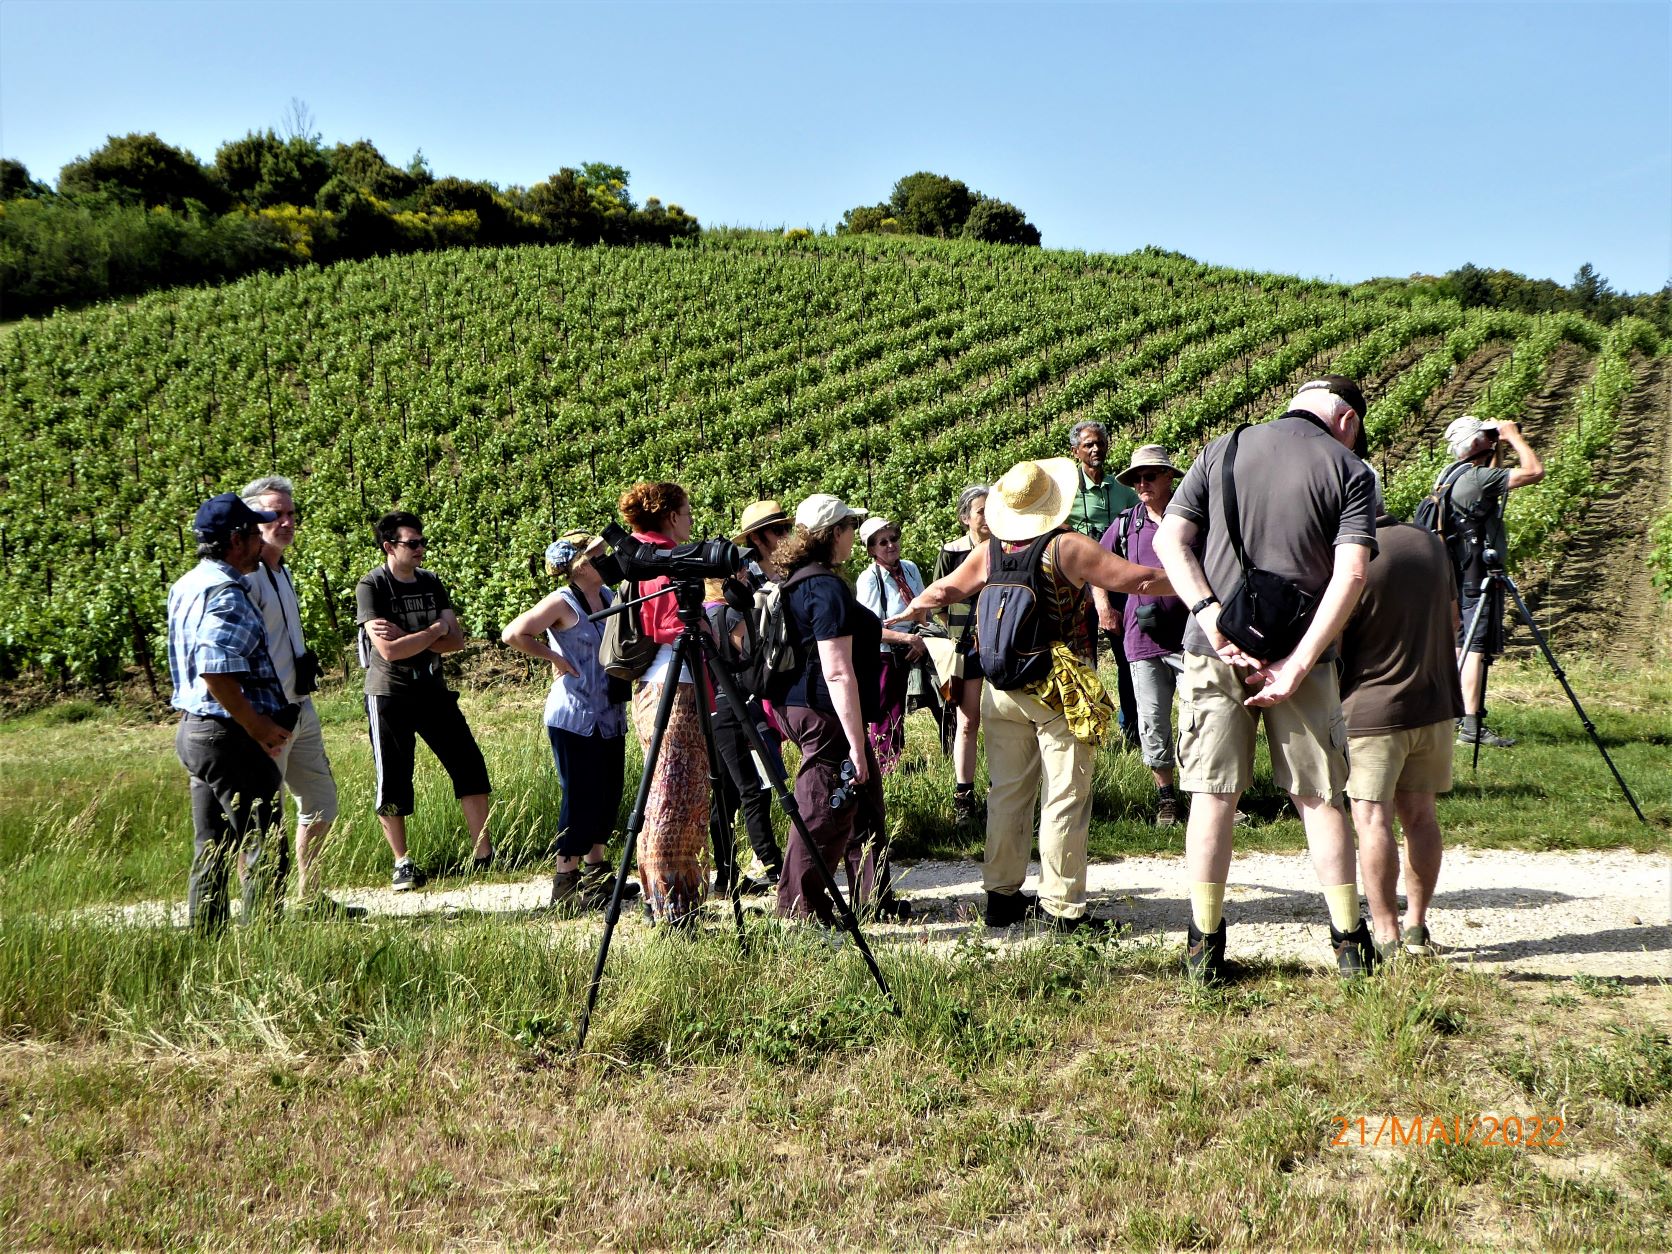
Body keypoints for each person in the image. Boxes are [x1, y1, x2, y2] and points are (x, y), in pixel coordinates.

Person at [1152, 374, 1379, 981]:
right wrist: (1299, 663)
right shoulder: (1350, 470)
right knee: (1319, 798)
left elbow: (1171, 538)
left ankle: (1203, 942)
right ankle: (1349, 943)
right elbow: (1351, 575)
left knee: (1211, 795)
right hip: (1303, 657)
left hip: (1213, 649)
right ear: (1347, 421)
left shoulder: (1220, 448)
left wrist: (1209, 615)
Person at [894, 459, 1170, 933]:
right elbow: (1137, 580)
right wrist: (1196, 581)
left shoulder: (992, 550)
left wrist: (909, 612)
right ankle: (1063, 908)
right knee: (1065, 795)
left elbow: (944, 588)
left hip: (1002, 686)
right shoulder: (1068, 547)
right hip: (1058, 685)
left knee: (1007, 792)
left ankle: (1001, 897)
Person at [1341, 507, 1465, 962]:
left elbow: (1333, 636)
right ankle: (1416, 925)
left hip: (1373, 710)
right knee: (1422, 818)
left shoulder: (1356, 552)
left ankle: (1387, 934)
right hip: (1433, 704)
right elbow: (1454, 623)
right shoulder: (1432, 542)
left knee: (1372, 819)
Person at [166, 493, 293, 934]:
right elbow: (216, 670)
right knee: (265, 842)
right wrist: (257, 724)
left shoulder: (186, 585)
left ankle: (208, 938)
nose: (262, 541)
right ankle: (261, 942)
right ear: (236, 541)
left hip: (195, 732)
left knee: (213, 845)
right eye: (255, 533)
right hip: (230, 736)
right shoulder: (227, 594)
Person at [500, 531, 640, 912]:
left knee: (608, 793)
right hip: (573, 716)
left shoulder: (609, 597)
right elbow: (513, 633)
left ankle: (597, 877)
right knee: (580, 795)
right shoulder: (562, 602)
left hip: (608, 712)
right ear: (580, 565)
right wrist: (554, 659)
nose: (606, 559)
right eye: (598, 555)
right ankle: (565, 882)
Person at [238, 475, 356, 919]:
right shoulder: (246, 577)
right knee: (262, 813)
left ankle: (310, 894)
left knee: (322, 799)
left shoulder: (281, 569)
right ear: (252, 519)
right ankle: (260, 906)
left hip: (300, 706)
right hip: (267, 715)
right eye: (274, 514)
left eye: (290, 514)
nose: (285, 522)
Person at [356, 511, 492, 891]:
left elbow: (456, 641)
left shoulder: (431, 582)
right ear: (389, 547)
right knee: (394, 778)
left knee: (469, 763)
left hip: (432, 689)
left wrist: (414, 635)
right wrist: (433, 629)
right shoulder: (372, 586)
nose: (420, 549)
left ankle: (484, 854)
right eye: (412, 543)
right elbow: (389, 651)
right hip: (389, 693)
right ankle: (402, 863)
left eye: (422, 542)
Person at [773, 493, 891, 925]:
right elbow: (838, 671)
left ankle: (872, 898)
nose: (854, 535)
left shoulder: (798, 580)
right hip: (825, 711)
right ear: (834, 534)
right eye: (849, 527)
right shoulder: (824, 587)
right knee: (825, 808)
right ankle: (801, 912)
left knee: (863, 802)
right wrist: (857, 745)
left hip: (805, 704)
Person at [619, 481, 711, 927]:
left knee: (666, 792)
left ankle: (668, 901)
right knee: (672, 797)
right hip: (674, 686)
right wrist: (709, 618)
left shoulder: (644, 555)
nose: (691, 520)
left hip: (654, 687)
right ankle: (673, 904)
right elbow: (666, 624)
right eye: (687, 511)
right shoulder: (662, 559)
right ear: (671, 516)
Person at [1097, 446, 1190, 828]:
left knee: (1198, 721)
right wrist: (1104, 606)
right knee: (1153, 721)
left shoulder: (1191, 519)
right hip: (1142, 640)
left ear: (1169, 477)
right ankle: (1166, 798)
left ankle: (1206, 795)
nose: (1142, 484)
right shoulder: (1125, 523)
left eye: (1150, 476)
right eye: (1136, 478)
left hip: (1191, 638)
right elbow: (1096, 567)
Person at [1440, 415, 1544, 748]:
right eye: (1485, 435)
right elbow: (1534, 472)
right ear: (1475, 443)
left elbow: (1489, 485)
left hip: (1457, 572)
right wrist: (1513, 437)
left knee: (1461, 643)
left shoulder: (1454, 475)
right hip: (1478, 577)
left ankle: (1455, 716)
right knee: (1477, 646)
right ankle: (1471, 726)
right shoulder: (1478, 478)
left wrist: (1493, 445)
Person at [1064, 420, 1141, 749]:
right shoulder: (1067, 492)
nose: (1096, 449)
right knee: (1082, 658)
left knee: (1126, 655)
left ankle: (1132, 728)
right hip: (1076, 587)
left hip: (1114, 583)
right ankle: (1085, 727)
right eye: (1088, 445)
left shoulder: (1121, 490)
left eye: (1100, 443)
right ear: (1075, 451)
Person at [931, 484, 990, 827]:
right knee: (968, 722)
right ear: (965, 518)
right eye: (981, 511)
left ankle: (1001, 790)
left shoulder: (1006, 548)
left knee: (1002, 723)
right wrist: (959, 633)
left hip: (1000, 648)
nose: (987, 518)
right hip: (967, 648)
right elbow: (939, 600)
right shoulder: (951, 553)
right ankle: (964, 797)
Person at [855, 516, 927, 775]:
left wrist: (919, 637)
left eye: (893, 539)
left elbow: (923, 607)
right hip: (884, 654)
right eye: (882, 542)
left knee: (901, 710)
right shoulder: (870, 579)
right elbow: (870, 629)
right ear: (871, 549)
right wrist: (908, 639)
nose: (890, 545)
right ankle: (884, 767)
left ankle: (895, 762)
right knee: (885, 712)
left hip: (912, 648)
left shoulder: (909, 569)